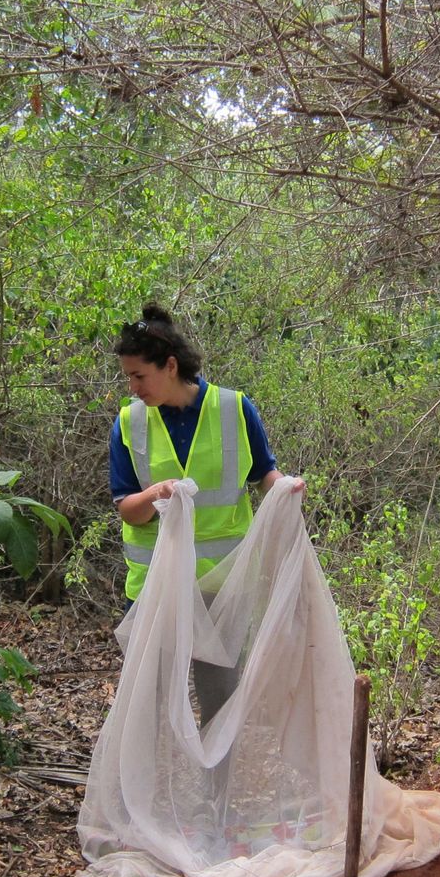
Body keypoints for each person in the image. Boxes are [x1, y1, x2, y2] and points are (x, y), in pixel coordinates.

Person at [109, 303, 300, 725]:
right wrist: (155, 493)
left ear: (170, 365)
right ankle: (151, 790)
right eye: (128, 377)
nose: (133, 387)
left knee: (220, 702)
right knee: (146, 707)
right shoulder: (129, 422)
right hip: (155, 591)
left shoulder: (234, 409)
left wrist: (285, 488)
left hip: (221, 589)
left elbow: (263, 472)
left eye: (139, 375)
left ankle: (218, 791)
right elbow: (128, 509)